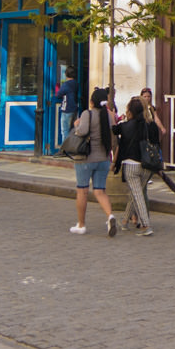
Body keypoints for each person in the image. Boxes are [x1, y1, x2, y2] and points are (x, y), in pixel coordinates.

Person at [69, 87, 116, 237]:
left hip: (86, 159)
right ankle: (110, 216)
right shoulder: (109, 116)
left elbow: (82, 132)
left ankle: (81, 224)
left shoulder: (87, 114)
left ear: (91, 101)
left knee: (82, 190)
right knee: (100, 191)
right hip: (103, 158)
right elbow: (113, 138)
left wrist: (77, 125)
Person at [113, 95, 159, 236]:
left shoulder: (126, 126)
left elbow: (114, 129)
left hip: (131, 165)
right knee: (135, 193)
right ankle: (125, 221)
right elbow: (157, 142)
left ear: (130, 111)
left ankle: (146, 225)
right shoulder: (150, 125)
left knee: (137, 195)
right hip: (147, 165)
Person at [54, 66, 77, 138]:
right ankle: (71, 147)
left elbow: (58, 95)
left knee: (65, 131)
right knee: (72, 130)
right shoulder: (76, 83)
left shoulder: (66, 84)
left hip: (66, 109)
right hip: (74, 109)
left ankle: (65, 148)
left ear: (66, 74)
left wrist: (57, 87)